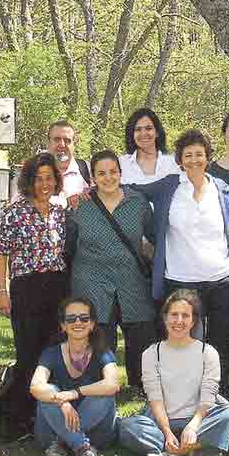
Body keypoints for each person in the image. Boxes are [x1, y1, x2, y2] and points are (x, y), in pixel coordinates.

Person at [141, 129, 229, 376]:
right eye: (188, 155)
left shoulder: (222, 190)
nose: (194, 160)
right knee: (184, 342)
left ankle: (219, 396)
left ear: (207, 157)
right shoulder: (169, 187)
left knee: (220, 342)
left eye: (199, 154)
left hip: (222, 280)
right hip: (181, 280)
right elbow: (136, 190)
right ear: (180, 160)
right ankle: (183, 398)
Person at [62, 150, 158, 390]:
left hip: (131, 280)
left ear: (120, 173)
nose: (108, 178)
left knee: (141, 334)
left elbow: (153, 236)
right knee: (100, 337)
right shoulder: (80, 206)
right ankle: (102, 385)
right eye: (101, 173)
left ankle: (141, 387)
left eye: (113, 172)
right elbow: (69, 246)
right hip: (92, 281)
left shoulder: (138, 203)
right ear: (93, 177)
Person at [118, 289, 229, 456]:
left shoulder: (207, 352)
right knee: (127, 426)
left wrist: (192, 426)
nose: (179, 321)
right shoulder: (152, 353)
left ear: (194, 320)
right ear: (165, 318)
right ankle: (196, 448)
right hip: (160, 423)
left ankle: (171, 454)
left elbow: (208, 396)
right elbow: (155, 398)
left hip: (199, 421)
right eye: (174, 315)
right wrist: (167, 432)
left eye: (185, 315)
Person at [0, 152, 69, 437]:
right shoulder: (13, 212)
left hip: (57, 286)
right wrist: (2, 292)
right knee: (28, 352)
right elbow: (1, 255)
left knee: (53, 350)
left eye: (49, 178)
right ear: (29, 181)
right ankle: (19, 417)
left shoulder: (61, 211)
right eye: (38, 179)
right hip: (26, 286)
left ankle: (49, 414)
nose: (44, 184)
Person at [30, 295, 122, 456]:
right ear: (63, 325)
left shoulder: (102, 352)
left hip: (95, 431)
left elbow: (113, 384)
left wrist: (74, 393)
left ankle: (63, 444)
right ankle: (82, 448)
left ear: (93, 324)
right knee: (48, 391)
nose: (77, 322)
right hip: (52, 430)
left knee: (104, 393)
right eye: (71, 318)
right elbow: (35, 386)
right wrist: (62, 402)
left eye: (84, 318)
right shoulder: (51, 353)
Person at [119, 107, 178, 186]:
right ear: (132, 134)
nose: (143, 134)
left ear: (157, 132)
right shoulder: (121, 164)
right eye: (138, 129)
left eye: (148, 128)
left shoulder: (173, 163)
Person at [46, 119, 92, 206]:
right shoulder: (34, 171)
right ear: (48, 143)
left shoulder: (87, 170)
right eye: (57, 139)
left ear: (74, 144)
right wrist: (66, 202)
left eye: (67, 140)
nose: (62, 145)